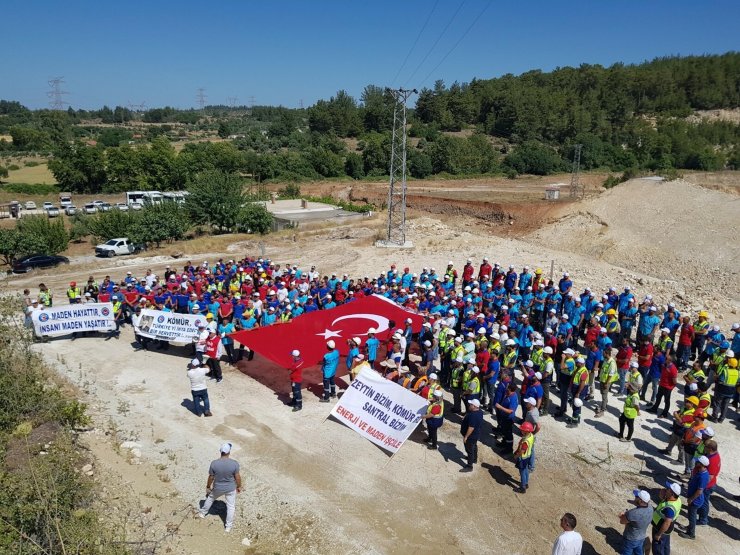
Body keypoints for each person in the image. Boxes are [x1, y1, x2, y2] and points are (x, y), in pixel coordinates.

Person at [198, 442, 242, 533]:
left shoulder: (214, 463)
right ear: (229, 452)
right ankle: (228, 527)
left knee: (210, 498)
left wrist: (208, 486)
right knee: (231, 507)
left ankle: (202, 513)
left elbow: (211, 477)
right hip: (230, 488)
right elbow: (237, 477)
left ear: (220, 452)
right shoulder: (234, 464)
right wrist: (239, 486)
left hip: (218, 487)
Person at [650, 482, 681, 555]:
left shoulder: (670, 509)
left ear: (672, 494)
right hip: (667, 531)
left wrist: (658, 534)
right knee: (665, 546)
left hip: (661, 530)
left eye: (668, 489)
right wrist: (662, 496)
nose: (666, 489)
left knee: (658, 549)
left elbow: (667, 523)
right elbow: (665, 503)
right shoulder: (677, 499)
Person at [619, 490, 653, 555]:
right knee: (639, 552)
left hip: (630, 539)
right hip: (641, 537)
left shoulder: (633, 513)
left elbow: (622, 521)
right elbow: (642, 505)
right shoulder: (650, 508)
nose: (634, 497)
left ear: (640, 501)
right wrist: (633, 502)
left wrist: (621, 516)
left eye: (636, 497)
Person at [459, 398, 483, 472]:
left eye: (471, 404)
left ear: (475, 406)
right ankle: (474, 459)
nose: (469, 405)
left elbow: (471, 428)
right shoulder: (480, 412)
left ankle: (469, 466)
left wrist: (466, 437)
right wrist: (466, 416)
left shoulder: (473, 416)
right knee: (474, 446)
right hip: (476, 434)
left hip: (470, 436)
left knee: (469, 450)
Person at [595, 348, 618, 417]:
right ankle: (604, 405)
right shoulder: (605, 360)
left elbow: (611, 374)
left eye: (603, 353)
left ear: (607, 354)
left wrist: (606, 383)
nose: (602, 354)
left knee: (604, 395)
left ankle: (603, 409)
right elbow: (604, 369)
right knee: (603, 394)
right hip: (602, 380)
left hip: (606, 382)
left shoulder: (612, 363)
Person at [514, 421, 535, 493]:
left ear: (526, 431)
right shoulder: (531, 436)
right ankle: (526, 483)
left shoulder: (525, 441)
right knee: (526, 470)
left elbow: (522, 451)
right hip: (528, 457)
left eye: (522, 430)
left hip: (522, 458)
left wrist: (516, 456)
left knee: (522, 472)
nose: (521, 430)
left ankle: (522, 487)